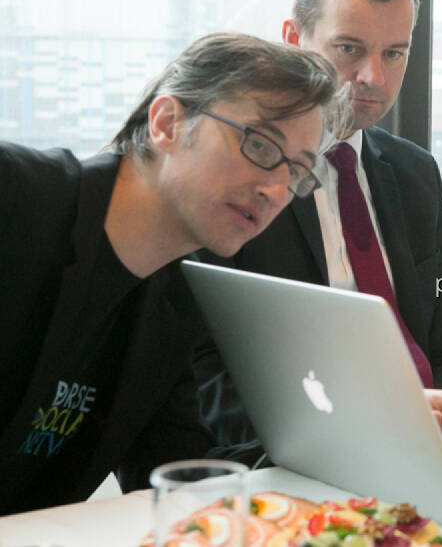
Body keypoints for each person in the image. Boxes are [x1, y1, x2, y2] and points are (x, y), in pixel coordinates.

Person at [194, 0, 442, 463]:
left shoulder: (415, 174)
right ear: (293, 40)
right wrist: (376, 423)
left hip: (435, 450)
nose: (374, 78)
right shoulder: (242, 176)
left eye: (393, 53)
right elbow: (210, 381)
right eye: (349, 49)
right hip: (308, 459)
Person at [0, 33, 339, 515]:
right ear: (167, 123)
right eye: (261, 145)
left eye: (296, 171)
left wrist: (357, 433)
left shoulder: (173, 304)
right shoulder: (15, 198)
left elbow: (184, 479)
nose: (276, 189)